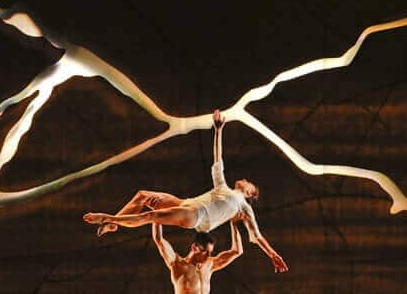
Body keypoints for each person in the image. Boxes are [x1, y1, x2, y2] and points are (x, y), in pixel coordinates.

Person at [84, 110, 289, 273]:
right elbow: (218, 161)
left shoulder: (243, 208)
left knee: (150, 215)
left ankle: (106, 217)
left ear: (251, 194)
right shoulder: (223, 187)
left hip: (195, 216)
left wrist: (272, 254)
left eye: (249, 183)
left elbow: (257, 237)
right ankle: (113, 224)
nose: (245, 180)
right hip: (185, 203)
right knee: (143, 196)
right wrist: (218, 131)